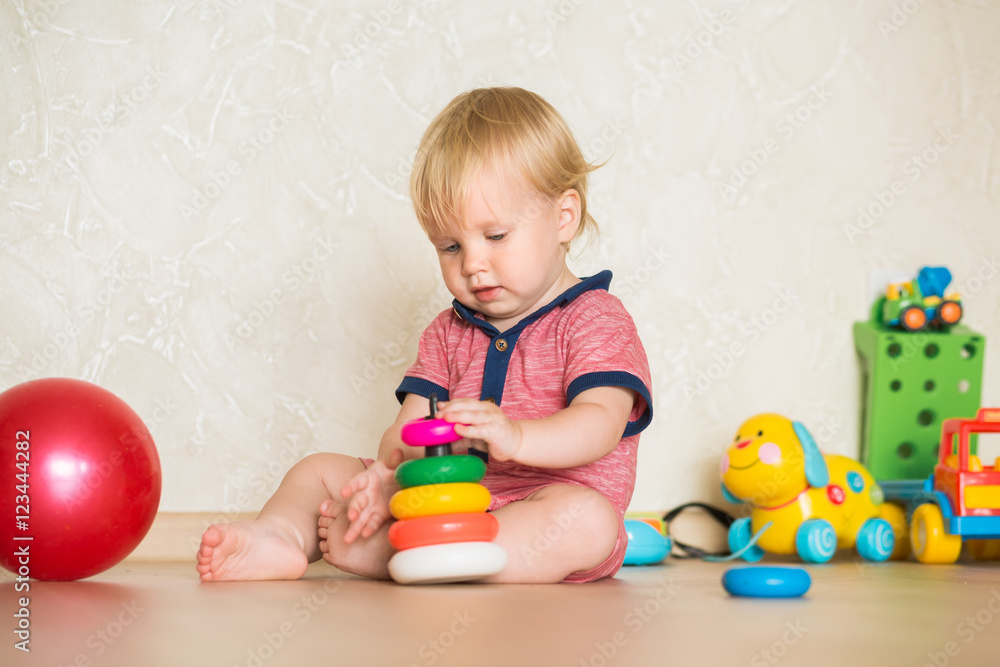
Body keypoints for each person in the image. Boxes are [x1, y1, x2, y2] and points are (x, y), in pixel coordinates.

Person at [197, 87, 653, 584]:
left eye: (496, 236)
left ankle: (412, 558)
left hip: (540, 508)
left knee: (587, 521)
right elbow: (404, 432)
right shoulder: (448, 331)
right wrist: (385, 474)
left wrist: (514, 436)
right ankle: (279, 538)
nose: (473, 264)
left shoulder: (595, 318)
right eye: (450, 246)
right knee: (320, 470)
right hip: (442, 499)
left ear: (563, 217)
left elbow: (599, 425)